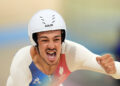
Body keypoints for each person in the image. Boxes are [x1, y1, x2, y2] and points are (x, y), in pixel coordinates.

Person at [6, 9, 120, 86]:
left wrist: (113, 70)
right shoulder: (22, 62)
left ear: (62, 40)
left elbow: (115, 68)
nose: (51, 46)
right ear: (35, 43)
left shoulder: (73, 53)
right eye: (45, 40)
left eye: (56, 39)